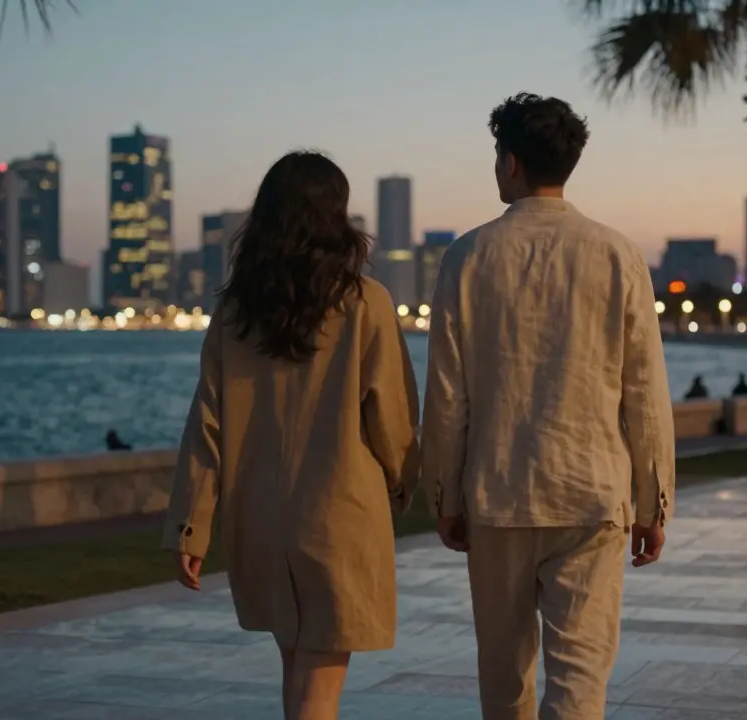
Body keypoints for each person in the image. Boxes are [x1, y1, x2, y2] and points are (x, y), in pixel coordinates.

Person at [421, 93, 675, 720]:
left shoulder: (468, 257)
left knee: (504, 682)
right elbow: (645, 392)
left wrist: (444, 497)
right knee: (581, 683)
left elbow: (448, 396)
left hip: (498, 494)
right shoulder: (617, 255)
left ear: (509, 162)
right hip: (592, 494)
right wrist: (654, 500)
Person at [163, 151, 420, 720]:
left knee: (297, 676)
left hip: (261, 519)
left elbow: (207, 423)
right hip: (339, 515)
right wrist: (404, 485)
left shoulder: (235, 312)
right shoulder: (364, 302)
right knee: (319, 689)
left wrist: (192, 525)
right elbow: (393, 414)